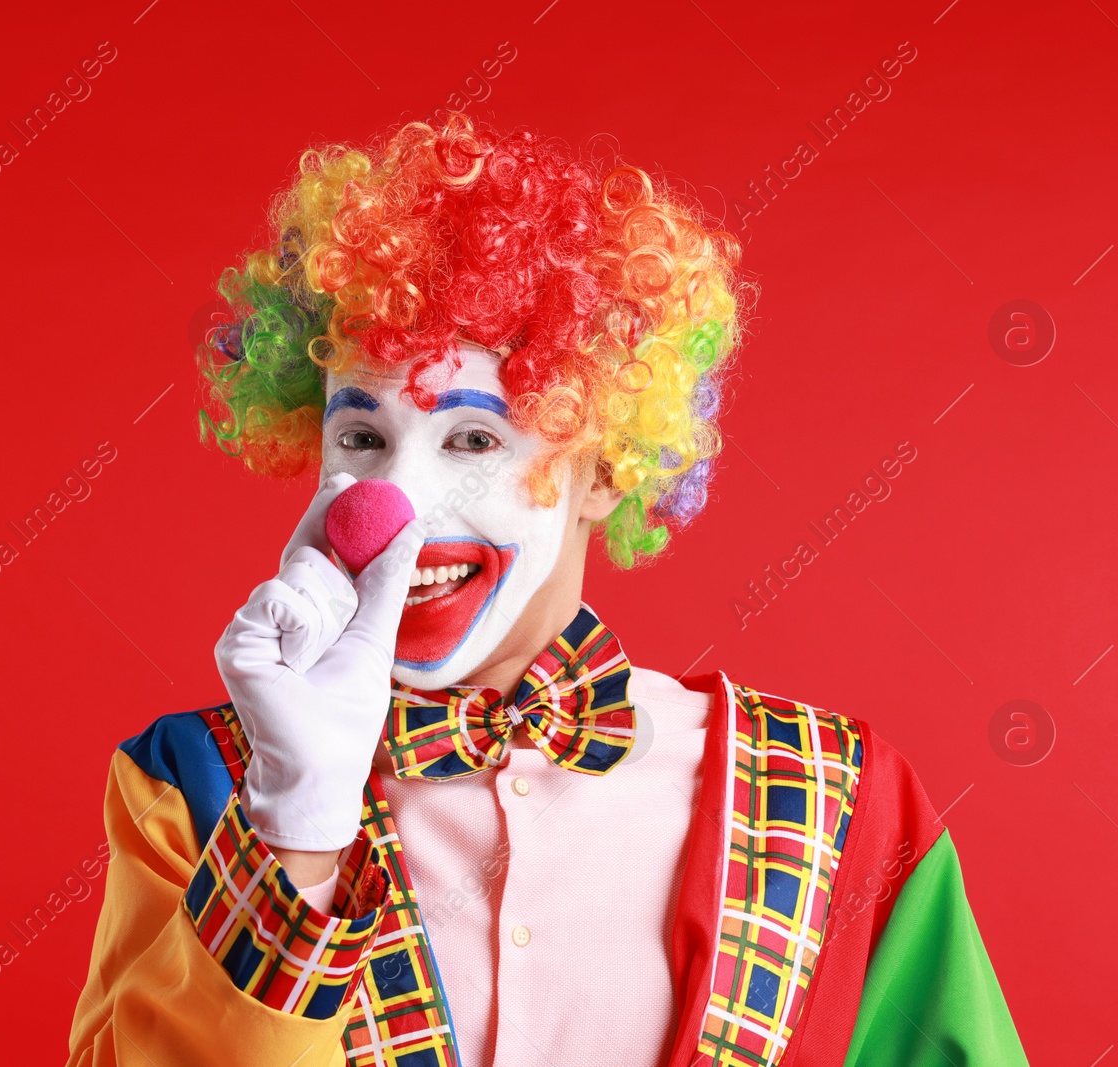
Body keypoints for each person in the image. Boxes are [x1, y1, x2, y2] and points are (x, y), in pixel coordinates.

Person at [65, 113, 1028, 1067]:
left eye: (474, 440)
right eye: (360, 438)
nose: (390, 509)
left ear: (602, 469)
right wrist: (297, 833)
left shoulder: (842, 807)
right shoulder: (191, 788)